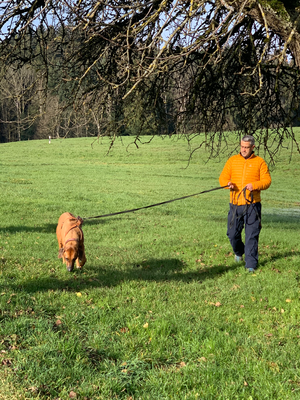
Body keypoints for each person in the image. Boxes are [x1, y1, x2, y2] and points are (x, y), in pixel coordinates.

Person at [219, 135, 271, 272]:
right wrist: (227, 184)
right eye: (242, 146)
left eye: (246, 147)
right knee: (232, 234)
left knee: (251, 235)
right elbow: (223, 177)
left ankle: (251, 265)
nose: (243, 150)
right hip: (235, 204)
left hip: (253, 205)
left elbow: (267, 181)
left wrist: (254, 185)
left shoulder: (260, 162)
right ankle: (239, 252)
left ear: (253, 147)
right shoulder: (232, 160)